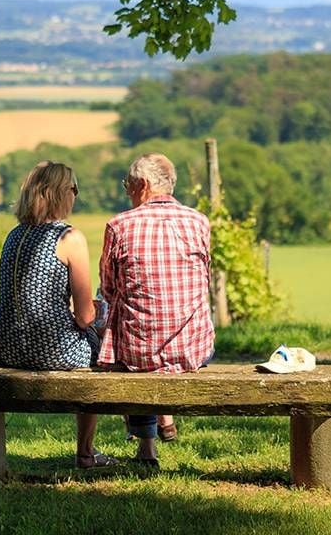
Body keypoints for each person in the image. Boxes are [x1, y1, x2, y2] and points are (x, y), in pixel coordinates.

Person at [0, 161, 115, 469]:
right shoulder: (69, 238)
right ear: (60, 193)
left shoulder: (14, 236)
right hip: (52, 350)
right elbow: (85, 316)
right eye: (74, 189)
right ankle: (88, 451)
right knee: (104, 351)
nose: (76, 195)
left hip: (8, 347)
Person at [98, 153, 215, 468]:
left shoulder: (119, 225)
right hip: (194, 351)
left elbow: (108, 289)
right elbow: (206, 280)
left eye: (128, 185)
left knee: (130, 337)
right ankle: (164, 418)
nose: (127, 191)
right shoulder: (199, 221)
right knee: (153, 321)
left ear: (143, 185)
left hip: (140, 353)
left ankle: (147, 446)